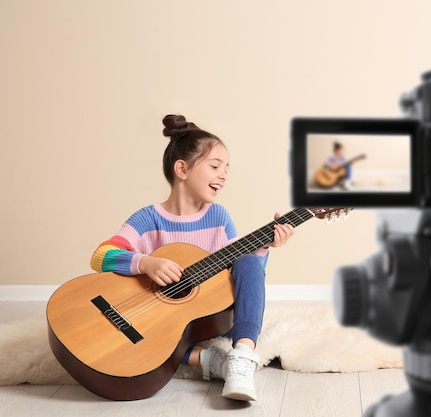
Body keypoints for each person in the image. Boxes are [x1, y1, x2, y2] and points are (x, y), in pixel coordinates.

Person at [89, 114, 295, 402]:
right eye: (215, 166)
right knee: (145, 345)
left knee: (247, 260)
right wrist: (145, 263)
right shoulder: (148, 218)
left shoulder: (219, 217)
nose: (223, 175)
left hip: (214, 320)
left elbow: (246, 276)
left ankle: (241, 358)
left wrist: (265, 247)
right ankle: (209, 360)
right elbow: (101, 256)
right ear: (182, 169)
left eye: (226, 169)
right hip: (166, 325)